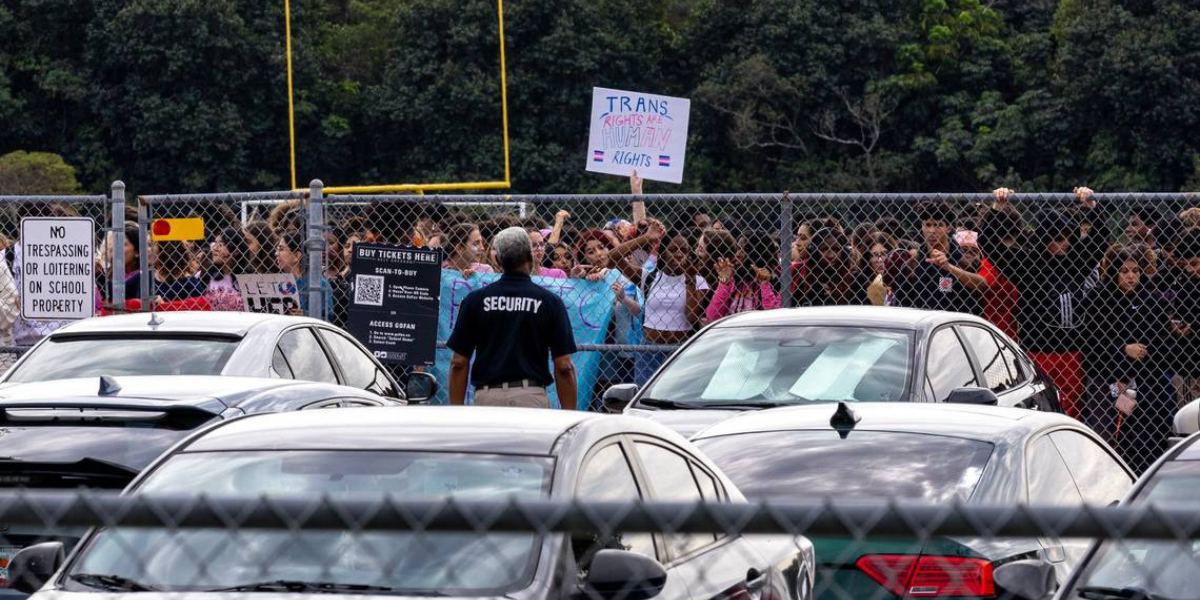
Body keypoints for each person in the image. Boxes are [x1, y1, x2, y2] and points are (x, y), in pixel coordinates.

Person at [979, 187, 1108, 418]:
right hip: (1037, 351)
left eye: (1068, 237)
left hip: (1072, 352)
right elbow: (989, 244)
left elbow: (1100, 240)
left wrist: (1090, 207)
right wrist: (998, 208)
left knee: (1071, 409)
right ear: (1045, 238)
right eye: (1057, 239)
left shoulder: (1076, 262)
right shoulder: (1029, 264)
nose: (1064, 244)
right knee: (1038, 406)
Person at [447, 227, 578, 409]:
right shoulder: (550, 302)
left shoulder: (475, 301)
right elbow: (564, 366)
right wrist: (569, 416)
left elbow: (458, 363)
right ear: (530, 256)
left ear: (499, 261)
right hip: (531, 397)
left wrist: (456, 411)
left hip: (487, 399)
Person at [1080, 247, 1172, 473]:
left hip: (1146, 380)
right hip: (1107, 378)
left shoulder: (1151, 300)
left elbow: (1161, 341)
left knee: (1148, 435)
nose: (1131, 276)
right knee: (1112, 437)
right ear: (1113, 273)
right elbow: (1091, 341)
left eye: (1135, 271)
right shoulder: (1099, 300)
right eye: (1123, 271)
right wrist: (1123, 349)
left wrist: (1145, 351)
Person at [889, 200, 986, 314]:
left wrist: (949, 267)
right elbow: (902, 306)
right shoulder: (912, 265)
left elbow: (982, 286)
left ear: (948, 228)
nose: (932, 231)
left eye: (938, 225)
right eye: (928, 225)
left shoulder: (964, 261)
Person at [705, 229, 781, 320]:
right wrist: (725, 284)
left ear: (758, 253)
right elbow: (712, 316)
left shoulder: (776, 280)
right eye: (737, 248)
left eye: (743, 250)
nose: (737, 254)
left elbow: (774, 318)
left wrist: (765, 285)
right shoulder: (736, 279)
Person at [275, 230, 333, 318]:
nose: (276, 253)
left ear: (297, 256)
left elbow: (328, 317)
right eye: (277, 249)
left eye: (281, 249)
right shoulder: (277, 281)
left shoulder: (320, 284)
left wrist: (306, 315)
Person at [204, 227, 249, 311]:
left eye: (221, 244)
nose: (215, 248)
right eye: (215, 243)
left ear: (236, 251)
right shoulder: (204, 275)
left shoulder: (246, 280)